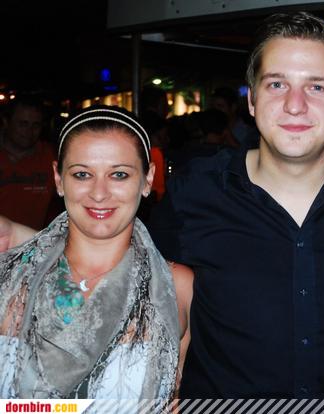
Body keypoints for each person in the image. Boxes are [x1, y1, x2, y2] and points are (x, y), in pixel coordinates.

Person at [148, 11, 324, 398]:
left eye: (317, 87)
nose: (295, 105)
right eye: (277, 84)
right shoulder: (196, 190)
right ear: (252, 99)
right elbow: (136, 278)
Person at [0, 106, 192, 403]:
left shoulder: (177, 286)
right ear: (58, 179)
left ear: (148, 178)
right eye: (82, 174)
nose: (99, 193)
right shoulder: (11, 277)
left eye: (119, 174)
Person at [0, 96, 57, 230]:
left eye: (36, 125)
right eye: (23, 124)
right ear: (6, 122)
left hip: (34, 240)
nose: (29, 131)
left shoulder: (51, 157)